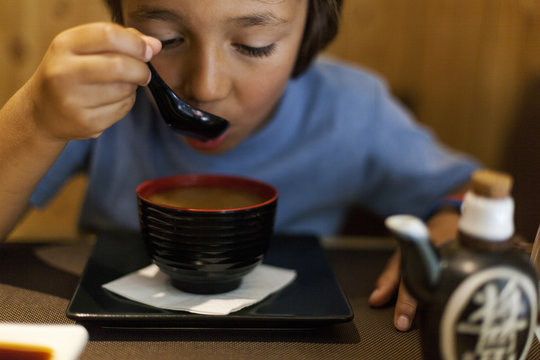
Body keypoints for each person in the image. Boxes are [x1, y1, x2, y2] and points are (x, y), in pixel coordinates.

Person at [0, 0, 479, 332]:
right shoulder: (103, 97)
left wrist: (451, 227)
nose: (205, 87)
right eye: (166, 39)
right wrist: (36, 120)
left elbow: (467, 189)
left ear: (310, 33)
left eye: (254, 44)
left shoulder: (351, 109)